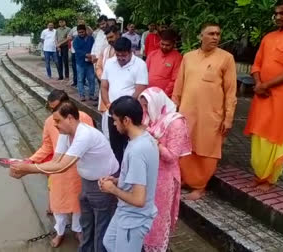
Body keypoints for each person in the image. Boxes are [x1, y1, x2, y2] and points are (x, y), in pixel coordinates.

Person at [10, 100, 119, 252]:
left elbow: (62, 166)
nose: (54, 124)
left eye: (57, 121)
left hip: (104, 182)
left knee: (101, 227)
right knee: (87, 223)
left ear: (70, 118)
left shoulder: (84, 135)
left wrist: (27, 168)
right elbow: (56, 161)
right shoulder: (65, 133)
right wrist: (27, 169)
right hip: (87, 181)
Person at [172, 23, 237, 200]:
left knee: (206, 150)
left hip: (211, 115)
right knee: (186, 148)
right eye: (211, 34)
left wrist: (228, 118)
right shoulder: (188, 57)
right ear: (201, 36)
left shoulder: (226, 58)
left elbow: (231, 91)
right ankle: (186, 178)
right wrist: (173, 108)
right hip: (187, 113)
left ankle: (200, 186)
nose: (215, 37)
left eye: (218, 34)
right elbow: (179, 85)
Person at [244, 0, 283, 192]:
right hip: (263, 96)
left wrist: (265, 85)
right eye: (276, 13)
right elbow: (257, 64)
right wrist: (259, 84)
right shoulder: (268, 37)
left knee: (277, 137)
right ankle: (259, 174)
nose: (278, 17)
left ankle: (269, 179)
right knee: (259, 134)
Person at [29, 90, 94, 247]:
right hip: (58, 168)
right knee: (58, 204)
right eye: (51, 109)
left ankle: (78, 229)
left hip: (78, 168)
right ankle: (60, 232)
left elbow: (90, 144)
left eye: (56, 108)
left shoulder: (84, 118)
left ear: (67, 105)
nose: (53, 114)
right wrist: (30, 160)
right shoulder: (49, 122)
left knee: (78, 204)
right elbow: (47, 146)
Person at [100, 96, 159, 252]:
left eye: (115, 120)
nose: (113, 124)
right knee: (109, 242)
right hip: (125, 211)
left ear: (126, 120)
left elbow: (139, 199)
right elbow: (139, 178)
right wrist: (118, 180)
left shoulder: (137, 151)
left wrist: (112, 189)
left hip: (134, 219)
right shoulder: (144, 140)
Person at [139, 87, 191, 252]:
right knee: (145, 212)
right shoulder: (150, 117)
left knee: (158, 216)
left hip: (165, 177)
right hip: (149, 172)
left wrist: (155, 143)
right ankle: (145, 244)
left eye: (147, 106)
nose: (145, 110)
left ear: (157, 103)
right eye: (143, 106)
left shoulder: (175, 122)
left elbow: (172, 156)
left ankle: (156, 248)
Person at [101, 37, 148, 165]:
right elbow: (104, 86)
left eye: (124, 55)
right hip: (113, 114)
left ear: (131, 51)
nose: (121, 58)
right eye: (118, 55)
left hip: (129, 116)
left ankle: (130, 172)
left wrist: (123, 109)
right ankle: (118, 173)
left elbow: (140, 90)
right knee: (115, 146)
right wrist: (109, 105)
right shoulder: (110, 63)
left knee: (131, 146)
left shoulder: (140, 65)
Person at [96, 25, 121, 139]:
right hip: (105, 89)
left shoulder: (124, 51)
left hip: (119, 92)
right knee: (106, 123)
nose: (110, 40)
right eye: (108, 38)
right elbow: (98, 67)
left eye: (111, 37)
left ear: (117, 34)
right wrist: (104, 78)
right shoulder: (105, 50)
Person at [146, 29, 182, 97]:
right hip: (149, 93)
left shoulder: (177, 57)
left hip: (165, 95)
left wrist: (164, 94)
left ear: (173, 44)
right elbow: (144, 73)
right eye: (162, 44)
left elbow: (175, 80)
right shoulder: (152, 54)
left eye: (168, 45)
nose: (164, 47)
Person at [73, 25, 96, 102]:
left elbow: (94, 48)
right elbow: (77, 50)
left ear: (85, 31)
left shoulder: (91, 38)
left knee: (92, 79)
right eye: (79, 32)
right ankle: (81, 95)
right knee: (80, 79)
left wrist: (92, 55)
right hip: (80, 63)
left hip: (90, 63)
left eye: (82, 32)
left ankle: (91, 95)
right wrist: (86, 54)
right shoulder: (76, 40)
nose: (81, 33)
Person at [69, 18, 93, 87]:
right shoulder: (73, 29)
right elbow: (69, 36)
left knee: (85, 67)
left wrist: (86, 26)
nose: (81, 22)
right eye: (79, 21)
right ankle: (75, 81)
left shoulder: (88, 28)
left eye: (82, 21)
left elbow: (91, 34)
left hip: (86, 52)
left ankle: (84, 81)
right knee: (75, 67)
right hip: (75, 51)